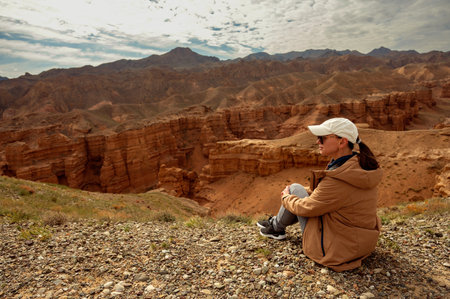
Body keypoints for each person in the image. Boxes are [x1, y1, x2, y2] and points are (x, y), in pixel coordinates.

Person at [257, 118, 383, 272]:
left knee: (294, 189)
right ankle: (275, 225)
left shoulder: (339, 178)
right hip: (360, 245)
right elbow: (328, 195)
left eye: (322, 138)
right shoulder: (358, 166)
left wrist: (286, 197)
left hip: (336, 252)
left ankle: (276, 228)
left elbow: (307, 208)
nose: (317, 142)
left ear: (342, 142)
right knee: (298, 190)